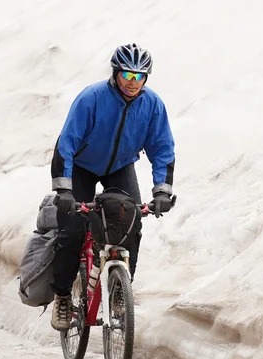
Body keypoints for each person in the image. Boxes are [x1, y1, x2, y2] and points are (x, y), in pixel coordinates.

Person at [49, 43, 176, 331]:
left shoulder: (152, 105)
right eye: (127, 76)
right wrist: (64, 191)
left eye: (139, 77)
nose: (132, 83)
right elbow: (66, 144)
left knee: (131, 224)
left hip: (119, 167)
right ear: (115, 74)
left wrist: (162, 191)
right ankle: (63, 295)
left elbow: (162, 148)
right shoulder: (91, 98)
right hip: (81, 165)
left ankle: (120, 293)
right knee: (72, 229)